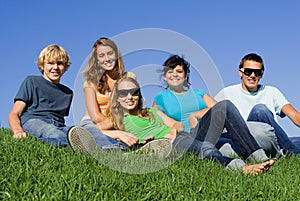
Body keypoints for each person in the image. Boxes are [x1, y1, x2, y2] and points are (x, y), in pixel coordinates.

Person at [107, 74, 275, 175]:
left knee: (225, 107)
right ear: (117, 97)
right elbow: (93, 130)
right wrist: (117, 133)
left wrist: (173, 130)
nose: (129, 97)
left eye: (133, 92)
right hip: (166, 146)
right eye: (124, 93)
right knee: (192, 144)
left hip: (182, 136)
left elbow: (178, 125)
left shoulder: (151, 111)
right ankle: (239, 168)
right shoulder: (116, 118)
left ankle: (259, 158)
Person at [72, 37, 170, 153]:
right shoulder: (90, 82)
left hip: (122, 121)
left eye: (110, 54)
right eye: (102, 56)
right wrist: (117, 130)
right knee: (90, 133)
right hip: (96, 124)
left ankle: (126, 148)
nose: (107, 59)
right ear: (97, 60)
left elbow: (135, 106)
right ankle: (116, 148)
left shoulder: (129, 77)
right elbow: (96, 117)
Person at [214, 53, 300, 157]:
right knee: (260, 110)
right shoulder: (226, 94)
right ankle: (292, 154)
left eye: (257, 72)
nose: (253, 75)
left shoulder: (272, 91)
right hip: (243, 140)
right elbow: (209, 119)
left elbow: (295, 116)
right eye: (248, 71)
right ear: (240, 72)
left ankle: (283, 151)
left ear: (262, 74)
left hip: (269, 140)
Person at [153, 55, 241, 155]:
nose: (175, 75)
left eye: (179, 71)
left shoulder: (199, 94)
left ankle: (256, 155)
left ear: (185, 76)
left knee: (226, 107)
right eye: (170, 71)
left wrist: (196, 114)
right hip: (182, 138)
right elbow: (153, 121)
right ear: (165, 77)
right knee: (226, 148)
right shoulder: (161, 98)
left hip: (204, 133)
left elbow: (220, 110)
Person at [8, 44, 73, 146]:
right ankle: (35, 143)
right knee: (53, 132)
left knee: (79, 134)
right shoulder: (32, 81)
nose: (55, 67)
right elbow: (14, 113)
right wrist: (18, 131)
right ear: (42, 65)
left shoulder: (68, 93)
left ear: (65, 67)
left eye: (59, 63)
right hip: (34, 121)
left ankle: (103, 149)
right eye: (50, 63)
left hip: (59, 125)